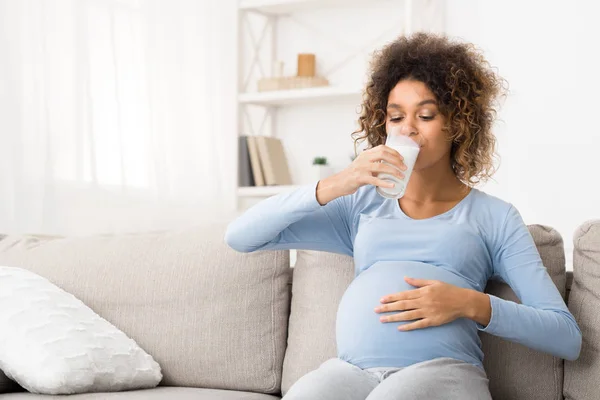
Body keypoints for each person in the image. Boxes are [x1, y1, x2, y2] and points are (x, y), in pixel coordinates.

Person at [224, 32, 582, 400]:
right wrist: (338, 183)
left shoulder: (494, 217)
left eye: (425, 115)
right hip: (352, 373)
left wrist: (468, 303)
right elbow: (241, 236)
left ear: (457, 124)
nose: (407, 127)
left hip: (442, 374)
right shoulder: (360, 205)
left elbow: (565, 336)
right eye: (396, 116)